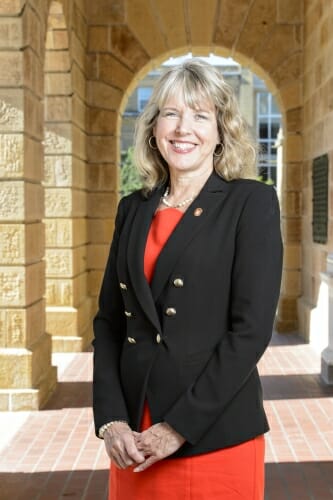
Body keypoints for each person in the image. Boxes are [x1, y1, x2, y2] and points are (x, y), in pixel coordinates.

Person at [92, 58, 283, 499]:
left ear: (220, 132)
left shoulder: (250, 204)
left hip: (211, 433)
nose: (184, 129)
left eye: (200, 116)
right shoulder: (133, 208)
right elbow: (109, 322)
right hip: (135, 441)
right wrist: (111, 419)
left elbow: (250, 332)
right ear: (155, 128)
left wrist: (177, 428)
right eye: (172, 114)